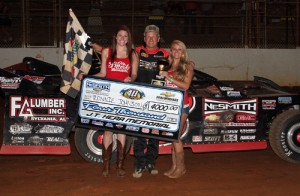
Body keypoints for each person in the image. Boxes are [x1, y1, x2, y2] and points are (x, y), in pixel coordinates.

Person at [92, 25, 138, 177]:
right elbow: (103, 73)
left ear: (128, 38)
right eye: (120, 35)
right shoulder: (107, 52)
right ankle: (106, 165)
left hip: (124, 97)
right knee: (108, 129)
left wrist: (130, 79)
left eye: (125, 36)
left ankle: (120, 164)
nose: (122, 39)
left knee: (121, 130)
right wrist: (88, 77)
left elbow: (135, 75)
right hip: (108, 95)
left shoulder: (133, 54)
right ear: (115, 37)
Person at [133, 24, 169, 178]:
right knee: (140, 133)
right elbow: (118, 54)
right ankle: (139, 164)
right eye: (148, 36)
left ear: (158, 38)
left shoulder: (165, 53)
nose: (151, 39)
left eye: (154, 36)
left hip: (156, 100)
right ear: (144, 38)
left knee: (154, 133)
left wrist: (190, 65)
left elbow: (178, 64)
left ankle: (151, 162)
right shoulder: (136, 51)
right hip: (139, 99)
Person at [159, 40, 194, 178]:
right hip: (168, 106)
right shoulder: (166, 66)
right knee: (173, 137)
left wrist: (169, 77)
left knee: (176, 137)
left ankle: (181, 168)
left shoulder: (187, 67)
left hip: (181, 107)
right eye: (174, 49)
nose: (177, 51)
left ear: (183, 52)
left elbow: (185, 86)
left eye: (179, 49)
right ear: (171, 51)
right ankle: (174, 166)